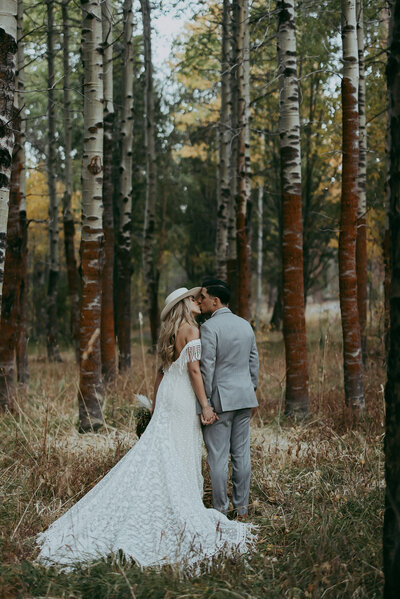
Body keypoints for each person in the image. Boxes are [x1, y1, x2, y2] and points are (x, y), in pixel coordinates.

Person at [36, 287, 256, 572]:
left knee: (162, 444)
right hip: (183, 397)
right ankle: (182, 500)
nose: (197, 301)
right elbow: (193, 370)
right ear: (183, 305)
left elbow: (161, 372)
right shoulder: (192, 330)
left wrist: (155, 405)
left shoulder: (169, 332)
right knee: (179, 447)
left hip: (168, 395)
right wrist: (204, 404)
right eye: (192, 298)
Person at [198, 279, 259, 520]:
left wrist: (207, 403)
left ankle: (221, 510)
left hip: (220, 401)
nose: (200, 301)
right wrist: (249, 388)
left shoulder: (210, 328)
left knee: (218, 457)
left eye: (203, 297)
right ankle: (241, 509)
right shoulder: (245, 325)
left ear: (215, 301)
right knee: (242, 455)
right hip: (245, 397)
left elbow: (207, 367)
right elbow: (253, 363)